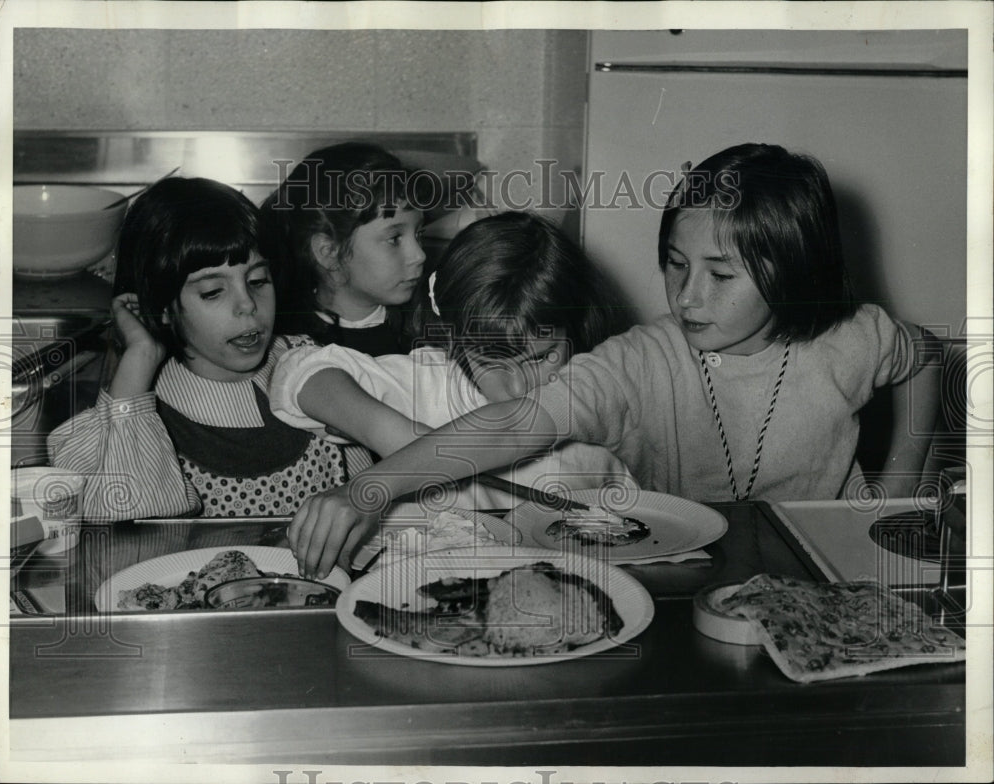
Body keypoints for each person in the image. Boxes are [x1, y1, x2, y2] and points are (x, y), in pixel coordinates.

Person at [286, 143, 941, 579]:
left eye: (721, 274)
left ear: (793, 272)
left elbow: (923, 356)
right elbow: (515, 423)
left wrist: (900, 486)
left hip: (847, 565)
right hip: (708, 579)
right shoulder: (639, 362)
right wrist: (372, 486)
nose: (686, 297)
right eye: (676, 265)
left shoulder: (854, 334)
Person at [267, 210, 635, 510]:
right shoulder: (434, 383)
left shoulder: (597, 400)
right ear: (456, 338)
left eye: (543, 357)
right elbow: (295, 370)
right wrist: (390, 432)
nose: (519, 387)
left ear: (574, 330)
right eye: (492, 362)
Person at [48, 177, 349, 522]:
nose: (247, 305)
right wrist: (140, 356)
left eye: (257, 281)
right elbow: (121, 521)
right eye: (212, 292)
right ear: (161, 307)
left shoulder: (308, 365)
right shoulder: (136, 410)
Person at [258, 141, 426, 357]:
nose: (420, 255)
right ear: (329, 252)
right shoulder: (290, 349)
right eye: (394, 239)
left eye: (419, 234)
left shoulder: (428, 330)